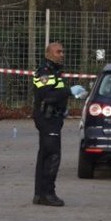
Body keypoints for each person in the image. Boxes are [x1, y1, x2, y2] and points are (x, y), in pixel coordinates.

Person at [32, 42, 70, 207]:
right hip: (47, 119)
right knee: (52, 156)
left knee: (45, 155)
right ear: (48, 54)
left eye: (62, 51)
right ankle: (48, 193)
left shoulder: (55, 71)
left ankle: (40, 194)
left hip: (54, 118)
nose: (61, 54)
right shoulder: (44, 72)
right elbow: (47, 96)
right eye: (57, 52)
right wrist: (69, 92)